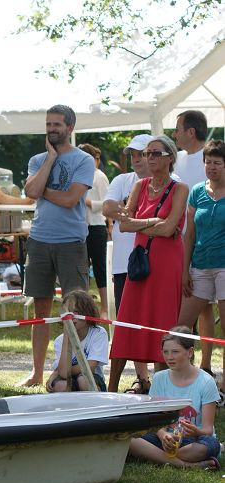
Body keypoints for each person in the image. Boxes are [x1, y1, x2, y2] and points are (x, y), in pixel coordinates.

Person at [18, 105, 95, 388]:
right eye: (48, 124)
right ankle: (37, 372)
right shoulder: (38, 159)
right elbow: (29, 192)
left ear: (70, 128)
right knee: (41, 310)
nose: (51, 128)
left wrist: (42, 191)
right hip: (39, 240)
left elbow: (69, 200)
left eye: (57, 124)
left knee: (76, 309)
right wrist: (50, 158)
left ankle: (76, 370)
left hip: (71, 242)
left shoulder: (84, 160)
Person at [109, 136, 188, 383]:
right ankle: (111, 388)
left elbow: (169, 229)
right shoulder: (139, 186)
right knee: (127, 321)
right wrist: (153, 222)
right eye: (147, 153)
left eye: (155, 153)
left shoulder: (180, 189)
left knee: (162, 322)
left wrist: (140, 225)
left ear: (170, 157)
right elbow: (124, 225)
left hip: (167, 265)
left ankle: (161, 389)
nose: (149, 158)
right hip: (140, 264)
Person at [101, 134, 159, 393]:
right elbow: (107, 207)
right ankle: (141, 378)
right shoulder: (122, 179)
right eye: (132, 154)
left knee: (157, 322)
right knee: (126, 325)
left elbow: (165, 220)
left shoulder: (172, 183)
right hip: (124, 264)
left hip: (157, 262)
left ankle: (164, 380)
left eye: (141, 153)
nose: (136, 159)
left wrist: (128, 214)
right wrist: (136, 214)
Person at [128, 327, 220, 470]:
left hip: (194, 441)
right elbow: (155, 422)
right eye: (165, 352)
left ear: (190, 352)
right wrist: (163, 435)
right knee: (130, 440)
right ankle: (187, 465)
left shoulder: (206, 382)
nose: (169, 357)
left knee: (211, 445)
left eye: (175, 352)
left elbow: (208, 430)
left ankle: (159, 456)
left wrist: (196, 432)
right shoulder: (159, 378)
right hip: (166, 439)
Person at [172, 110, 218, 381]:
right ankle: (181, 362)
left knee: (205, 306)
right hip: (179, 241)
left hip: (205, 245)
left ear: (191, 131)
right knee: (187, 304)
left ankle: (206, 363)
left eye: (177, 129)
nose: (174, 135)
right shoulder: (175, 159)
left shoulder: (212, 158)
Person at [177, 140, 225, 391]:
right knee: (181, 326)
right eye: (208, 162)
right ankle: (185, 377)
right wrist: (184, 270)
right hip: (200, 266)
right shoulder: (197, 191)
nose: (212, 167)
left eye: (217, 162)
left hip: (224, 267)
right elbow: (189, 234)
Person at [46, 290, 108, 392]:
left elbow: (89, 367)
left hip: (91, 378)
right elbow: (62, 372)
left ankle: (93, 406)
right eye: (68, 312)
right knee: (61, 385)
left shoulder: (98, 334)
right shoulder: (59, 340)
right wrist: (67, 335)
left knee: (83, 380)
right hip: (68, 379)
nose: (71, 317)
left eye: (77, 312)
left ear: (87, 312)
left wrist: (63, 372)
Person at [77, 143, 111, 319]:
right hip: (80, 227)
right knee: (82, 269)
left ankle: (105, 308)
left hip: (96, 227)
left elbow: (108, 204)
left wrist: (89, 203)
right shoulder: (78, 176)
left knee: (99, 268)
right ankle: (84, 307)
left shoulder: (99, 177)